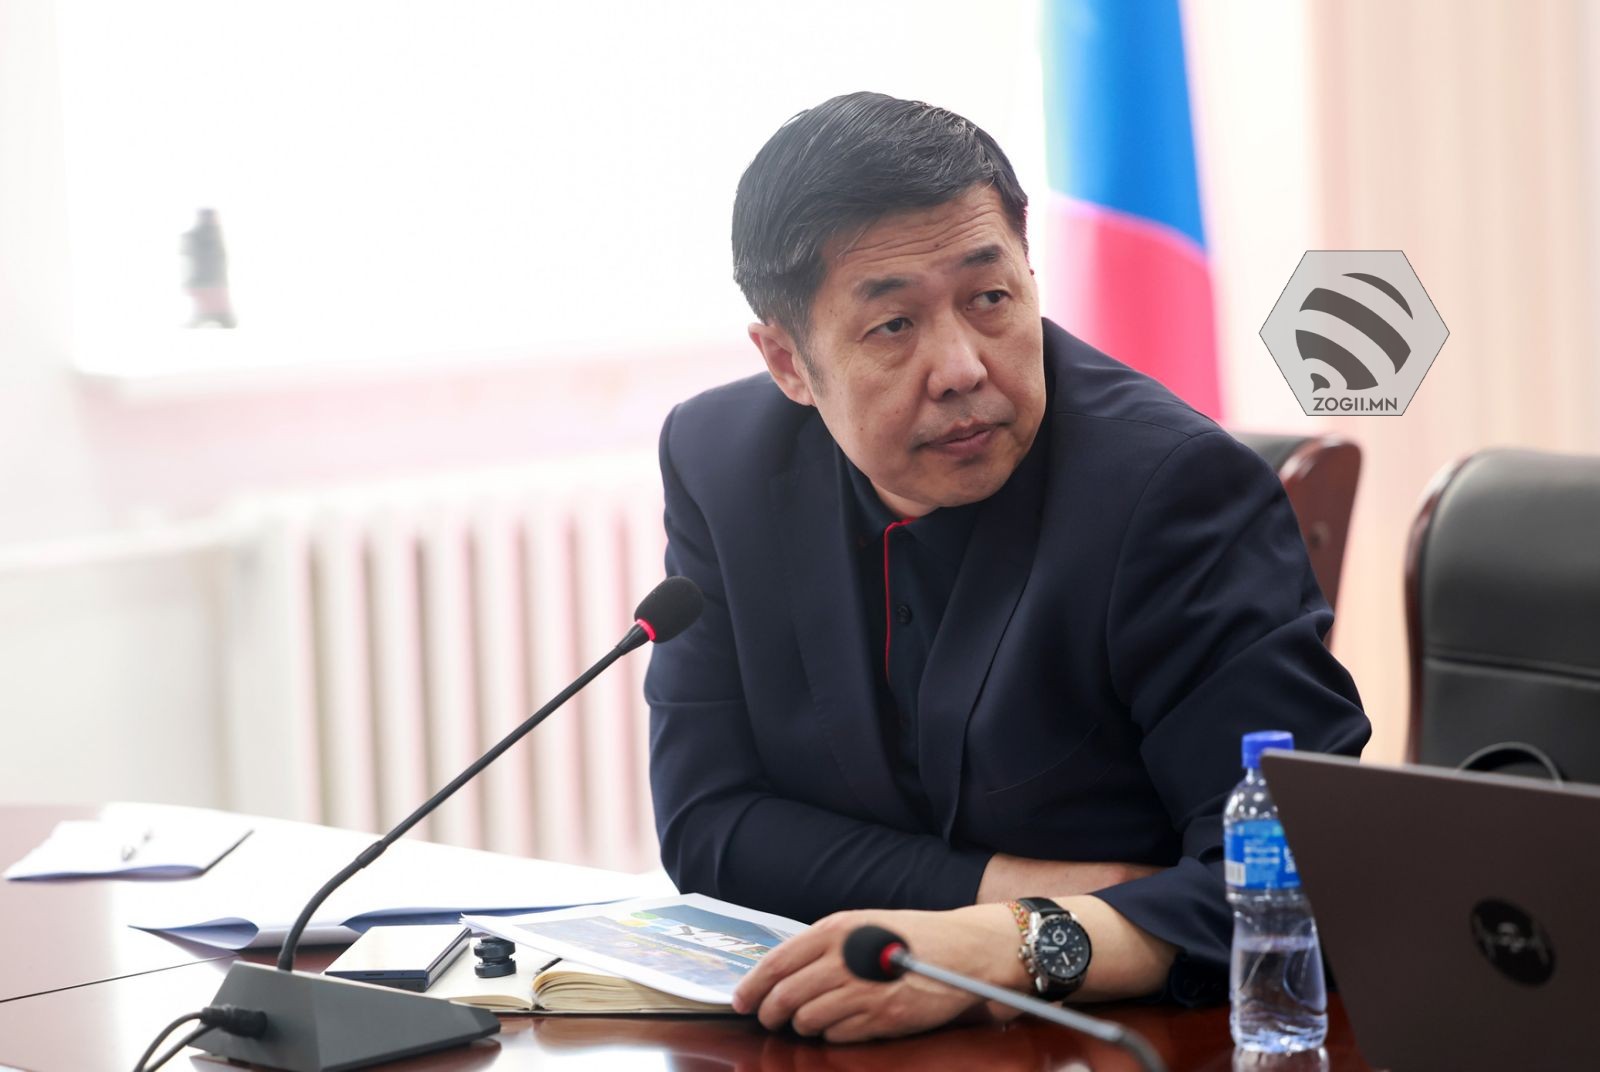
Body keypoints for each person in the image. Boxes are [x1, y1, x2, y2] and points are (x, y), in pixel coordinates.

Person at [644, 91, 1369, 1041]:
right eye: (893, 325)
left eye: (989, 299)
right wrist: (1003, 894)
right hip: (861, 1028)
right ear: (787, 361)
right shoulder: (722, 462)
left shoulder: (1176, 492)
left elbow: (1309, 870)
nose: (962, 367)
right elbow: (708, 825)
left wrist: (1016, 945)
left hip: (1130, 1041)